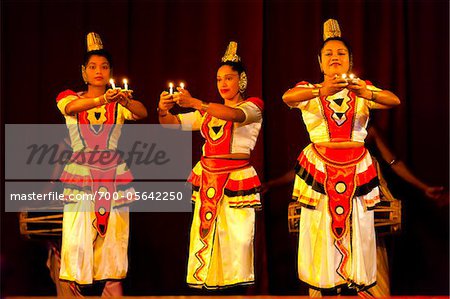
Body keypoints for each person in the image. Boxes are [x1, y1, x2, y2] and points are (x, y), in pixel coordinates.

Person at [282, 19, 401, 296]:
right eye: (329, 54)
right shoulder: (308, 90)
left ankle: (362, 287)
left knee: (359, 230)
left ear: (350, 61)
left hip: (357, 168)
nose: (335, 58)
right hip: (320, 169)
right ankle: (321, 289)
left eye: (341, 54)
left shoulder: (361, 91)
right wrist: (321, 90)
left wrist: (366, 91)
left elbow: (394, 100)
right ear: (320, 63)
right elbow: (287, 97)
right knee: (319, 232)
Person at [262, 125, 445, 297]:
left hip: (362, 205)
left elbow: (394, 162)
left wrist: (423, 187)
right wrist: (273, 184)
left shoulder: (366, 129)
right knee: (323, 267)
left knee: (373, 268)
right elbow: (303, 170)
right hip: (328, 209)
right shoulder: (322, 130)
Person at [158, 41, 264, 289]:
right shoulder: (207, 113)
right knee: (207, 240)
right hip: (208, 180)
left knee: (237, 242)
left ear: (242, 80)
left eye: (229, 78)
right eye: (219, 79)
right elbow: (172, 124)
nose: (223, 84)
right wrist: (163, 110)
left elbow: (236, 116)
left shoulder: (253, 106)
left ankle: (237, 290)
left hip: (236, 181)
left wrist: (196, 103)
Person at [56, 32, 147, 296]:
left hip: (113, 174)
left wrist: (123, 99)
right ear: (84, 72)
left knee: (109, 242)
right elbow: (71, 108)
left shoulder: (119, 103)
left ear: (110, 72)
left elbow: (142, 113)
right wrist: (100, 100)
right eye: (93, 67)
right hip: (81, 174)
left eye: (104, 67)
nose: (99, 71)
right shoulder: (70, 97)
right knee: (79, 239)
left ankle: (101, 288)